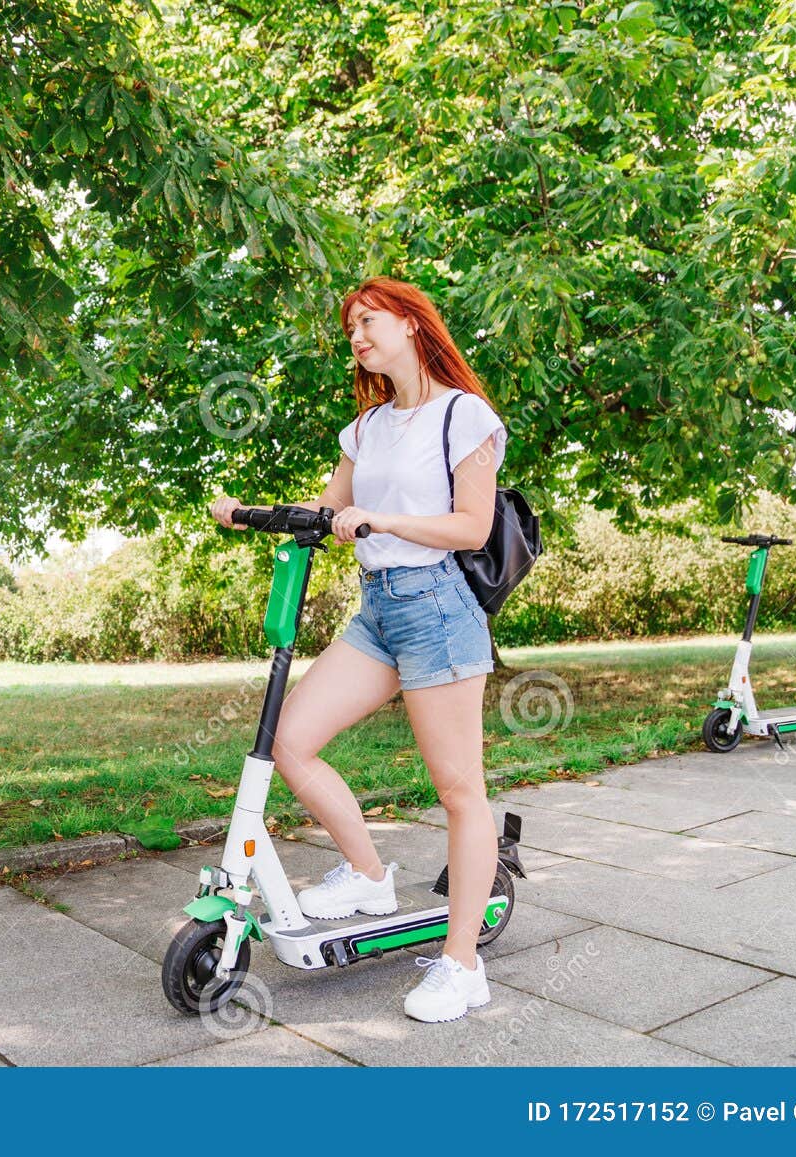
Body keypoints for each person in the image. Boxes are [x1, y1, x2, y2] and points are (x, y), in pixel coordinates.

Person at [209, 276, 507, 1023]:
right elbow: (332, 507)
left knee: (459, 790)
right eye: (351, 329)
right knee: (290, 739)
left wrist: (383, 521)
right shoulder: (367, 427)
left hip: (438, 606)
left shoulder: (463, 415)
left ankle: (462, 964)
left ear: (410, 323)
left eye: (368, 322)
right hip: (378, 611)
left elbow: (472, 527)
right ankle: (370, 873)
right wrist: (250, 513)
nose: (358, 337)